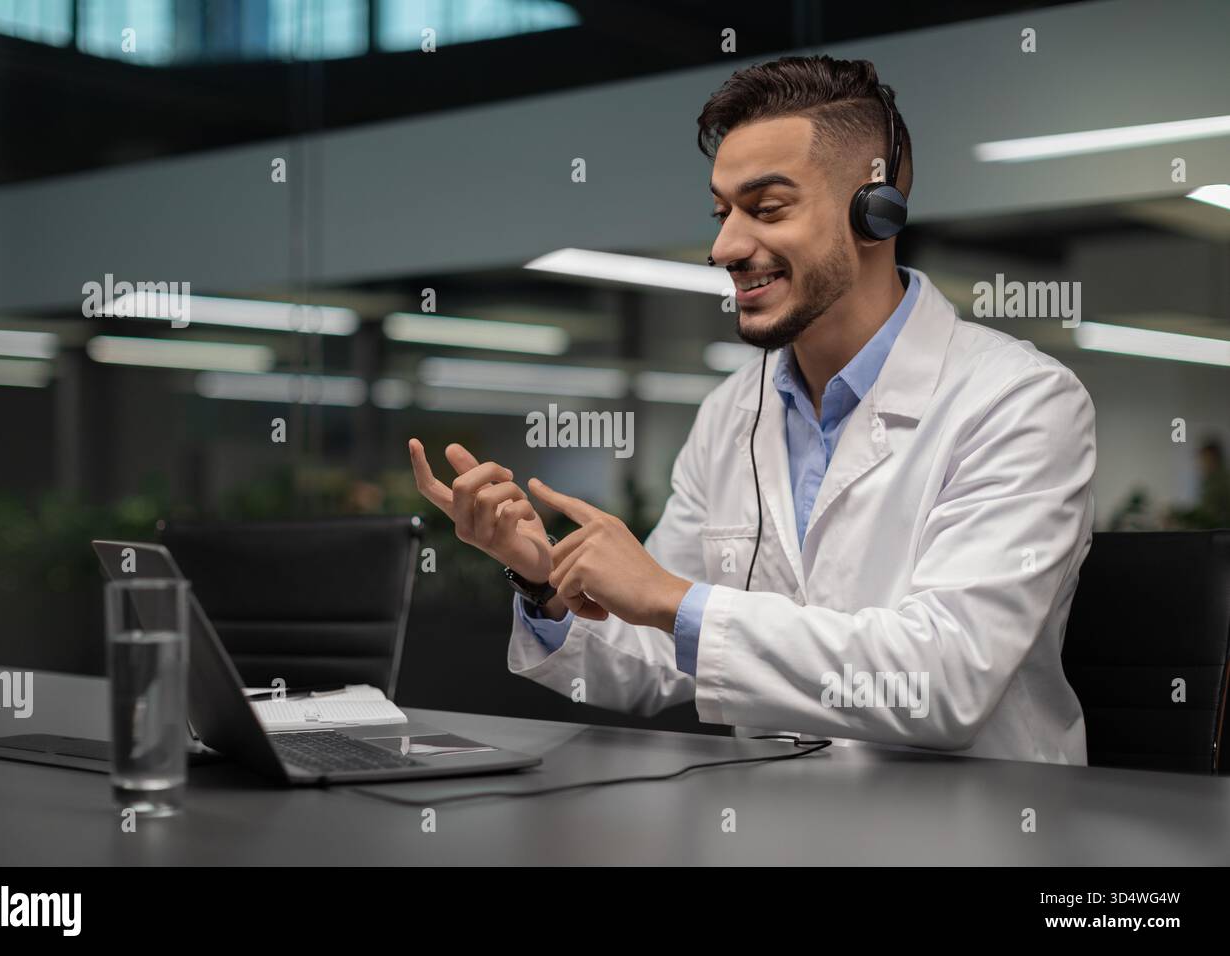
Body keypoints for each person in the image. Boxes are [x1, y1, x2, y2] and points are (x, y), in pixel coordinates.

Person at [409, 55, 1097, 764]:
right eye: (722, 213)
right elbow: (650, 659)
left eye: (766, 209)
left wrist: (674, 599)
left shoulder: (1019, 401)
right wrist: (543, 582)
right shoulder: (732, 411)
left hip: (978, 815)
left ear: (876, 213)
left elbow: (945, 682)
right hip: (772, 809)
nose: (725, 247)